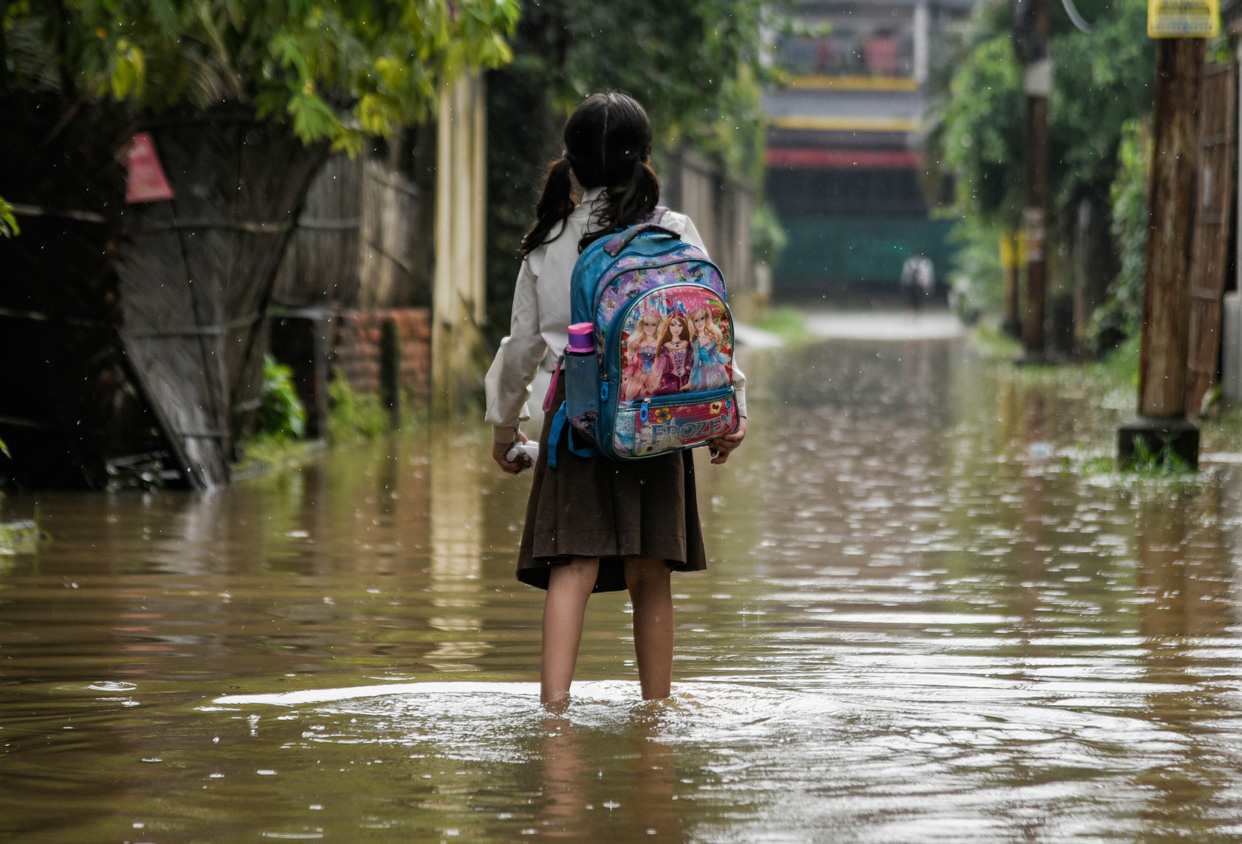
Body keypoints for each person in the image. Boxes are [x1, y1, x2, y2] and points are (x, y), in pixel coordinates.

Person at [484, 92, 748, 707]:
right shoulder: (674, 230)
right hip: (656, 418)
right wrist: (730, 411)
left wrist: (504, 431)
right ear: (645, 159)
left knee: (570, 568)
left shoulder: (548, 242)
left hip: (576, 421)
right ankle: (657, 717)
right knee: (651, 574)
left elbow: (522, 347)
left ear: (570, 165)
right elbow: (708, 330)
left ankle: (554, 718)